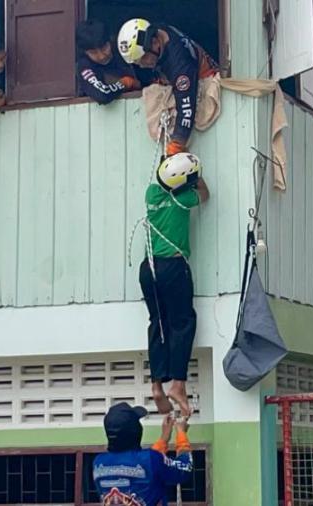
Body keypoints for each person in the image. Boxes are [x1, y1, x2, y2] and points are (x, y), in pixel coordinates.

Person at [139, 152, 209, 417]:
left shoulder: (151, 194)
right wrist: (195, 174)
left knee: (158, 323)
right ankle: (178, 384)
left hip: (148, 268)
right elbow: (205, 194)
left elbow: (165, 179)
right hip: (173, 266)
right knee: (182, 323)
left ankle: (156, 384)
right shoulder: (184, 200)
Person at [117, 19, 219, 155]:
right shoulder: (156, 32)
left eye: (142, 59)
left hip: (202, 77)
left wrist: (177, 144)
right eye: (136, 62)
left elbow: (186, 108)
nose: (141, 65)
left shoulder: (180, 63)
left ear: (154, 43)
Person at [93, 402, 192, 505]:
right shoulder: (151, 459)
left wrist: (164, 439)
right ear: (135, 430)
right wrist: (181, 433)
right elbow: (185, 468)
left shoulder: (98, 463)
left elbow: (146, 465)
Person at [76, 19, 150, 105]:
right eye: (93, 52)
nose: (101, 56)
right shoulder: (85, 66)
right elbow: (102, 94)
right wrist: (126, 82)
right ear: (85, 53)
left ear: (110, 41)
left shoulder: (125, 50)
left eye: (104, 48)